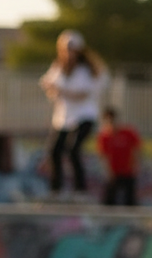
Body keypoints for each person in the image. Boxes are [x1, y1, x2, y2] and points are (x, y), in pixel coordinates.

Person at [39, 30, 106, 199]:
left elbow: (82, 95)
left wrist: (60, 90)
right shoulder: (58, 68)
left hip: (85, 116)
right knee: (53, 150)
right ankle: (56, 190)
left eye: (72, 50)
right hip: (63, 118)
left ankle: (80, 190)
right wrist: (51, 88)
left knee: (73, 149)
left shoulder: (85, 70)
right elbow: (49, 85)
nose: (68, 54)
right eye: (65, 50)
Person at [96, 107, 141, 206]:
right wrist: (107, 171)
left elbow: (136, 150)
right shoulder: (104, 136)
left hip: (128, 172)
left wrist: (136, 165)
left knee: (130, 200)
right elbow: (103, 156)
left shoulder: (128, 133)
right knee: (109, 200)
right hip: (113, 173)